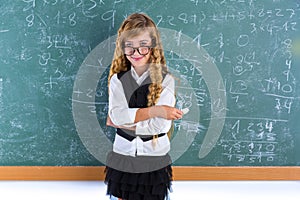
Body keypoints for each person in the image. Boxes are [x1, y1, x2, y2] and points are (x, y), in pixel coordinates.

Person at [105, 13, 183, 200]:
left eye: (143, 47)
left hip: (154, 159)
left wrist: (123, 121)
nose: (136, 54)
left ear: (153, 46)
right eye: (130, 47)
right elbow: (116, 116)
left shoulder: (166, 81)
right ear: (122, 47)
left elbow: (160, 126)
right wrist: (155, 111)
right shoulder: (117, 80)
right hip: (122, 154)